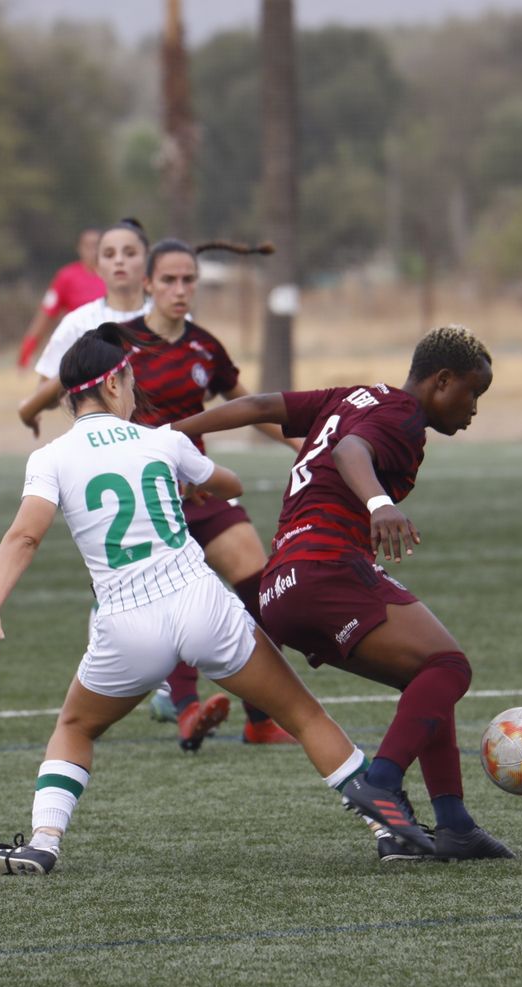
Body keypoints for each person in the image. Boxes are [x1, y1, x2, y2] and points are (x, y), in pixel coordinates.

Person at [0, 324, 436, 875]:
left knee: (76, 727)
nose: (134, 390)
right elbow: (230, 484)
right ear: (114, 383)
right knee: (304, 715)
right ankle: (389, 830)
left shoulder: (51, 458)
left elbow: (25, 536)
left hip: (127, 620)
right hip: (200, 604)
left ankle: (44, 842)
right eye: (131, 380)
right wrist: (193, 480)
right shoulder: (160, 441)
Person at [170, 325, 515, 863]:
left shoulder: (352, 397)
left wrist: (167, 437)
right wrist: (380, 503)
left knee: (426, 677)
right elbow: (352, 450)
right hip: (324, 568)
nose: (473, 409)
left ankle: (455, 825)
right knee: (450, 668)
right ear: (443, 381)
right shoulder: (402, 415)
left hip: (280, 587)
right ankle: (381, 784)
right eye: (473, 393)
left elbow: (259, 405)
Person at [117, 237, 298, 747]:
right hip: (147, 498)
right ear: (147, 284)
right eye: (169, 280)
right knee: (171, 598)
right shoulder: (118, 343)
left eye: (188, 280)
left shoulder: (204, 346)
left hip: (201, 490)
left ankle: (260, 719)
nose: (180, 289)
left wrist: (304, 445)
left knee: (263, 589)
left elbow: (252, 407)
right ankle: (188, 711)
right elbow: (98, 419)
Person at [17, 218, 154, 435]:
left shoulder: (166, 317)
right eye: (109, 254)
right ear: (97, 265)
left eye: (129, 253)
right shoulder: (78, 320)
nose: (119, 261)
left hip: (159, 439)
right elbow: (46, 314)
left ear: (148, 261)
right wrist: (79, 365)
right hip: (102, 442)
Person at [15, 228, 106, 369]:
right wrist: (27, 350)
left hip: (108, 346)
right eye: (88, 246)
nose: (92, 251)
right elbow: (45, 315)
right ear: (79, 248)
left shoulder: (115, 275)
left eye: (97, 245)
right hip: (76, 348)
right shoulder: (66, 276)